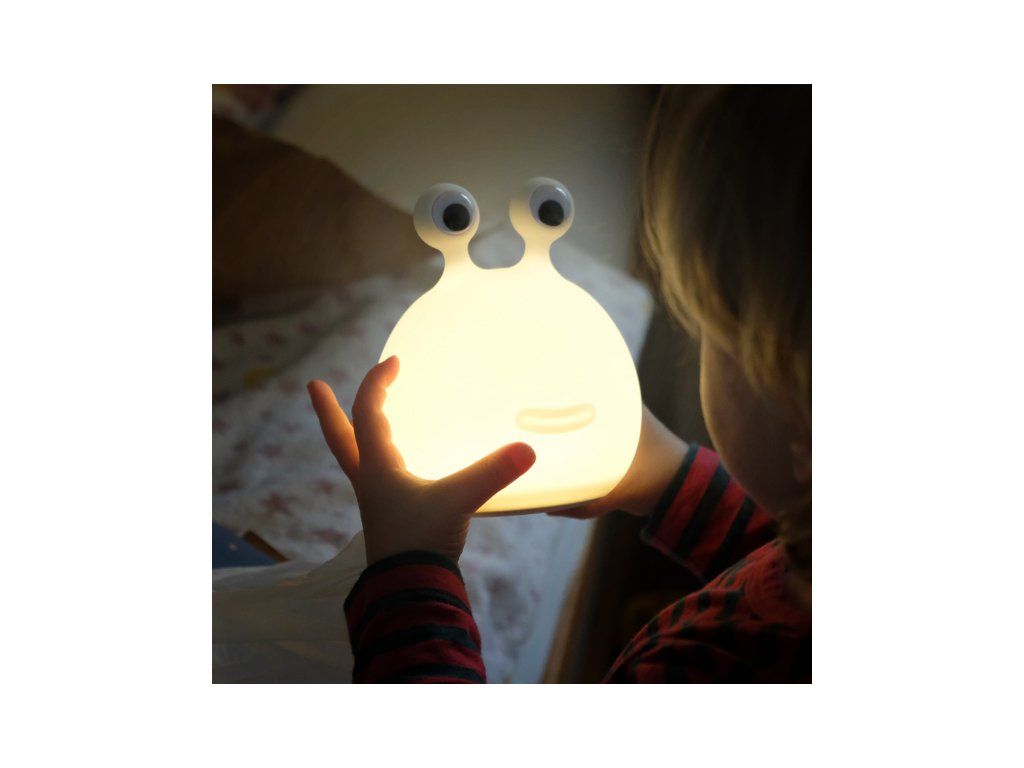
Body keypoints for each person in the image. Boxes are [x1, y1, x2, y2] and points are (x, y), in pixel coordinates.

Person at [307, 85, 811, 683]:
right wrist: (671, 479)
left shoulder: (715, 667)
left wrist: (409, 569)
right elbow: (770, 545)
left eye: (709, 331)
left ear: (798, 411)